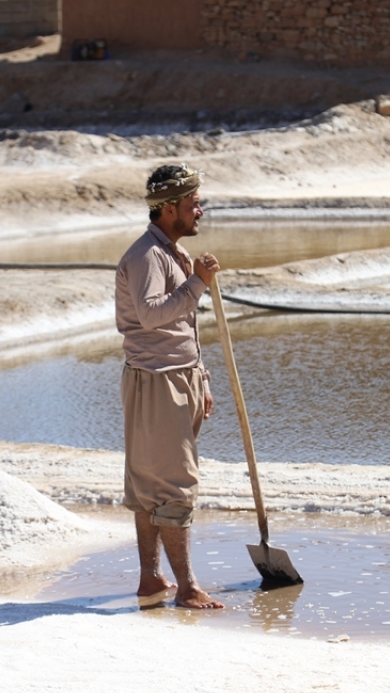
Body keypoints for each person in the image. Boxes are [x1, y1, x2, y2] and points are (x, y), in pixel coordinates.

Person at [115, 163, 224, 610]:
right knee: (172, 485)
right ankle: (187, 588)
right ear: (169, 208)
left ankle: (151, 581)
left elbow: (179, 328)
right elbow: (153, 315)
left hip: (174, 377)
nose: (200, 210)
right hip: (159, 382)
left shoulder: (169, 251)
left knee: (149, 484)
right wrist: (199, 281)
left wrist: (202, 379)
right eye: (193, 203)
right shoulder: (147, 257)